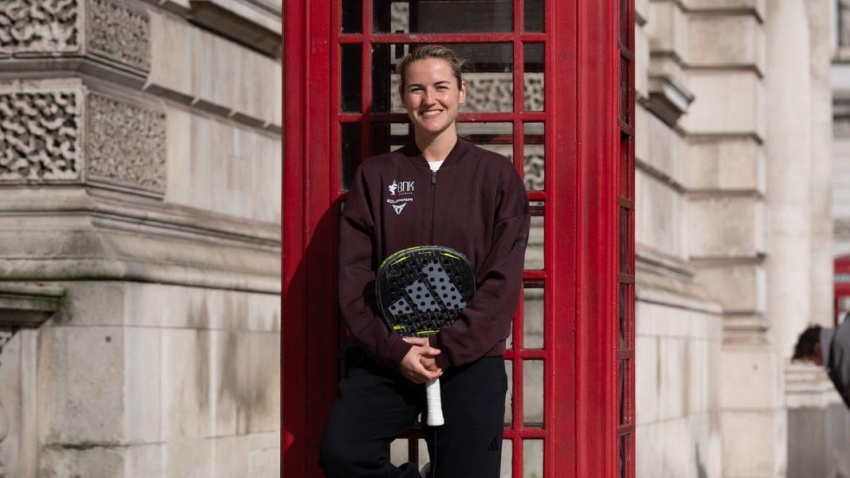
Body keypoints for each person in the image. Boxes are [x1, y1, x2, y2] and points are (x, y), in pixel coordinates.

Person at [319, 45, 530, 478]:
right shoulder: (376, 175)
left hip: (470, 359)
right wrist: (395, 350)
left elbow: (503, 279)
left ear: (462, 92)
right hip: (390, 354)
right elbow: (353, 276)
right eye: (416, 89)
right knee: (342, 453)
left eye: (441, 87)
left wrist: (447, 348)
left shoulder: (496, 175)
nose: (429, 99)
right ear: (403, 97)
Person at [792, 320, 850, 408]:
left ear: (816, 347)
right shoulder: (836, 351)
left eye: (811, 359)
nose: (816, 364)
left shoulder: (841, 350)